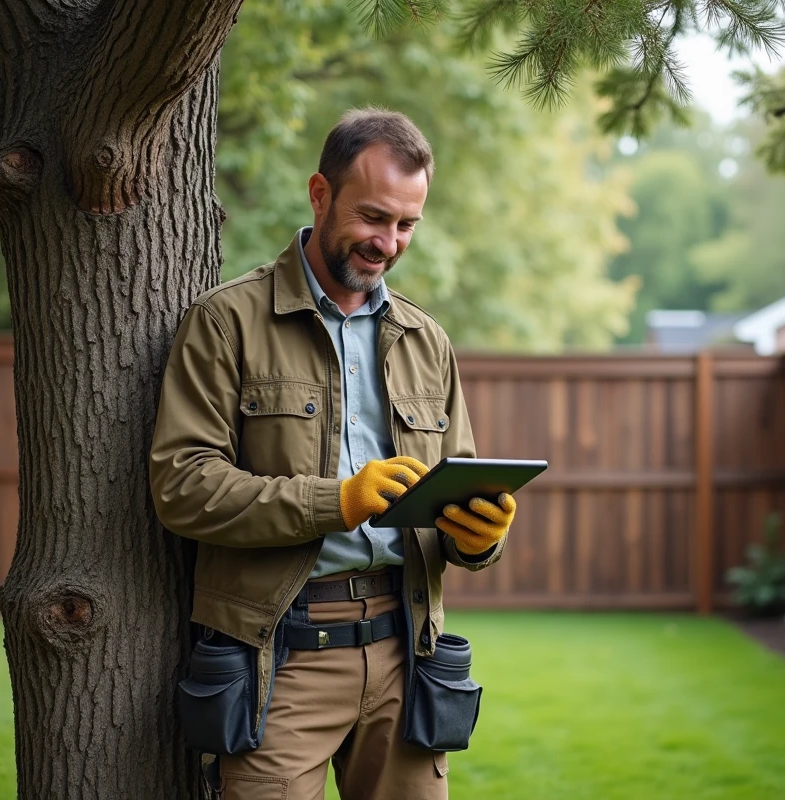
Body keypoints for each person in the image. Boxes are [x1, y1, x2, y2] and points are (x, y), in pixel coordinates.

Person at [149, 108, 515, 800]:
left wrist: (480, 538)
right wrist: (337, 501)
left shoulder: (426, 341)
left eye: (407, 225)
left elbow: (457, 486)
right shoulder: (227, 321)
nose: (389, 243)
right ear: (320, 194)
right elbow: (182, 485)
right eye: (374, 217)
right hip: (281, 657)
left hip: (408, 655)